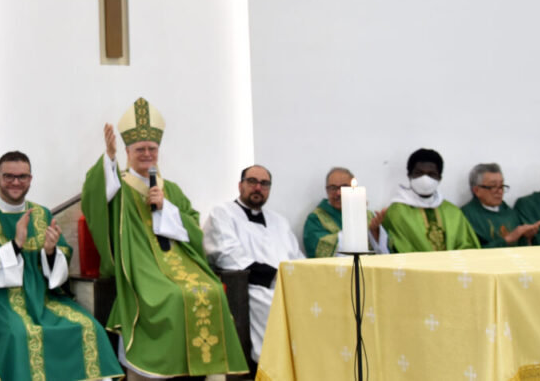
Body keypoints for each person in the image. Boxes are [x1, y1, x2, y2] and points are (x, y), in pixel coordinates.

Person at [82, 97, 248, 379]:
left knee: (211, 290)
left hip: (181, 262)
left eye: (152, 148)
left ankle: (210, 373)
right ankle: (158, 371)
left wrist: (166, 208)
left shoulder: (170, 189)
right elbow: (94, 198)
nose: (147, 154)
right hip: (142, 266)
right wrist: (108, 158)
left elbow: (193, 228)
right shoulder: (120, 186)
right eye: (140, 149)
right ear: (127, 151)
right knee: (169, 296)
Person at [0, 151, 122, 381]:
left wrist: (51, 251)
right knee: (19, 334)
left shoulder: (42, 215)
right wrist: (15, 245)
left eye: (22, 177)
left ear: (30, 179)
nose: (16, 182)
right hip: (0, 300)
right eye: (9, 176)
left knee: (89, 327)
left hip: (44, 297)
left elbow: (61, 262)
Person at [203, 165, 305, 365]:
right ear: (240, 185)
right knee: (273, 305)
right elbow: (225, 254)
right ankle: (275, 368)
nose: (258, 187)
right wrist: (272, 276)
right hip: (251, 285)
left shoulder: (279, 221)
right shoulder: (222, 213)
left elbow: (296, 256)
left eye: (264, 184)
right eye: (252, 181)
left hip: (287, 283)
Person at [381, 149, 480, 252]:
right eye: (419, 173)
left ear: (439, 178)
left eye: (431, 174)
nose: (425, 179)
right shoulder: (397, 212)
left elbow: (467, 247)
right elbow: (396, 249)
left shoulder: (452, 212)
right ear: (409, 175)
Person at [302, 167, 390, 258]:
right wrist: (358, 228)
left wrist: (374, 231)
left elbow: (384, 253)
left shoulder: (368, 216)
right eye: (333, 188)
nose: (338, 193)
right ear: (327, 190)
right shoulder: (315, 219)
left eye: (344, 187)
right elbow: (318, 248)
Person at [460, 163, 540, 248]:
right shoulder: (466, 216)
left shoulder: (508, 211)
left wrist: (527, 237)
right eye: (493, 186)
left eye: (501, 185)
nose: (500, 191)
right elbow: (470, 252)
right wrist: (507, 240)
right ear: (476, 190)